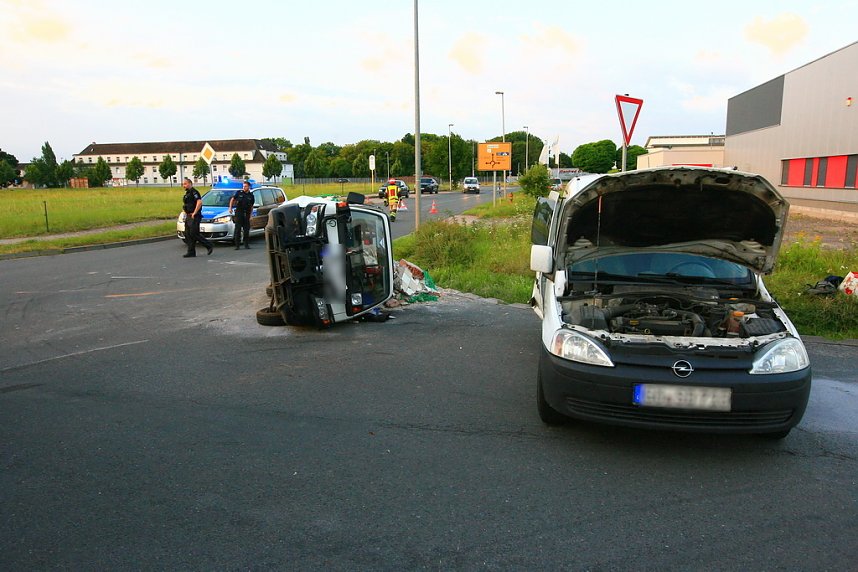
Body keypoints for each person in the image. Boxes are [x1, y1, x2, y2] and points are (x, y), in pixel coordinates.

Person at [182, 177, 213, 258]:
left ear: (190, 183)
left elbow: (199, 202)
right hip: (188, 216)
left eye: (185, 184)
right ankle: (191, 252)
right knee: (188, 234)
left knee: (194, 233)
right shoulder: (187, 194)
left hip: (194, 216)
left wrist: (194, 213)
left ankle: (209, 245)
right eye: (183, 184)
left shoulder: (194, 192)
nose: (183, 186)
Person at [229, 180, 255, 249]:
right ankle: (237, 245)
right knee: (237, 229)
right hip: (239, 213)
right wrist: (230, 208)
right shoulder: (239, 193)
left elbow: (251, 206)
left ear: (249, 187)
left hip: (246, 214)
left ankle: (246, 244)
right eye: (243, 186)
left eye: (245, 186)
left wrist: (251, 215)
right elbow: (232, 199)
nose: (244, 187)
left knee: (246, 230)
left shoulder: (251, 196)